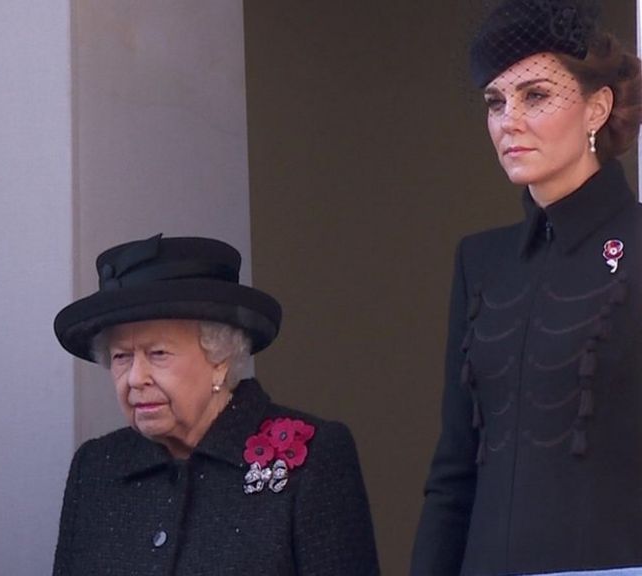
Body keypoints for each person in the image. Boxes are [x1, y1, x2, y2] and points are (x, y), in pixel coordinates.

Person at [412, 1, 642, 574]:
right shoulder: (482, 261)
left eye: (535, 96)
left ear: (597, 108)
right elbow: (454, 471)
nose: (507, 119)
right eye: (495, 101)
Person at [52, 234, 379, 575]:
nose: (135, 377)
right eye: (121, 357)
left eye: (158, 353)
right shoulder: (96, 467)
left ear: (220, 357)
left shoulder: (314, 458)